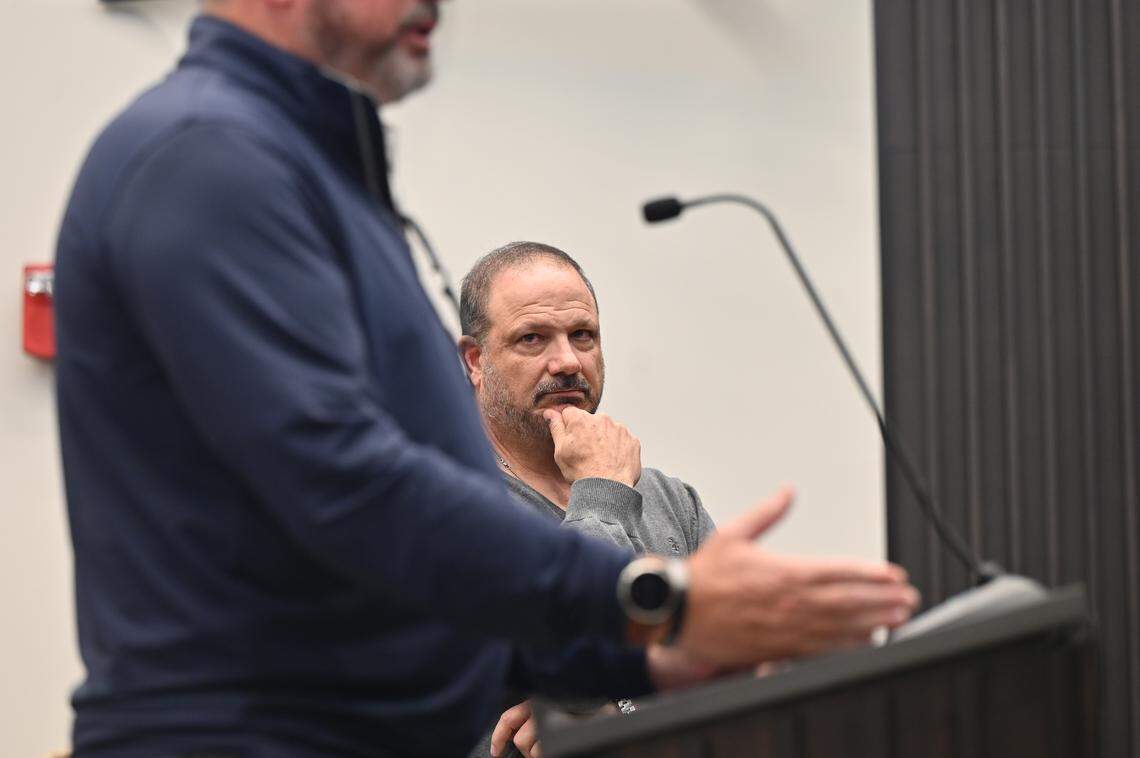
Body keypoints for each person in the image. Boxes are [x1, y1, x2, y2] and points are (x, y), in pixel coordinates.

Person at [53, 1, 919, 756]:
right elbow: (348, 492)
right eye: (533, 338)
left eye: (585, 334)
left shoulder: (315, 175)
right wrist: (654, 603)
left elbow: (403, 584)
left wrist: (644, 666)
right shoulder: (208, 159)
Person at [457, 242, 716, 756]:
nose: (568, 361)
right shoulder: (450, 504)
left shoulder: (671, 500)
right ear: (474, 361)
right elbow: (560, 648)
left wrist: (616, 713)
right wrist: (602, 493)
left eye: (583, 336)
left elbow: (734, 671)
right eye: (532, 339)